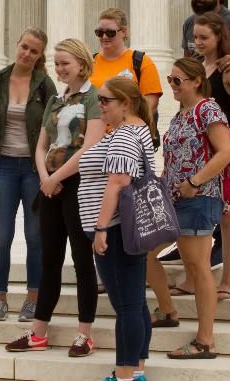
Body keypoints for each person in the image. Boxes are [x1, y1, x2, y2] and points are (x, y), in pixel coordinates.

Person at [6, 38, 103, 358]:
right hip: (49, 186)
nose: (60, 69)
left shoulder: (93, 97)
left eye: (65, 63)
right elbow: (41, 144)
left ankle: (85, 333)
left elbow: (90, 146)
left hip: (78, 186)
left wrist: (56, 178)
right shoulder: (56, 100)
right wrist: (45, 179)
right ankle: (38, 331)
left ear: (81, 63)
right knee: (50, 261)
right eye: (57, 63)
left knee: (82, 261)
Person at [146, 58, 230, 358]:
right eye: (170, 80)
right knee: (146, 253)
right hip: (175, 199)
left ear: (196, 81)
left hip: (199, 198)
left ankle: (205, 340)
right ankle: (168, 311)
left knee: (198, 267)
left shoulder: (207, 109)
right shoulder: (180, 115)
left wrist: (195, 182)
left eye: (177, 80)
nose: (171, 85)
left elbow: (226, 152)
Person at [79, 75, 155, 381]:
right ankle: (136, 369)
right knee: (134, 302)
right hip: (120, 228)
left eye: (105, 100)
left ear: (126, 103)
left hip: (114, 228)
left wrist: (100, 228)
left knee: (126, 305)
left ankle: (124, 374)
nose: (100, 106)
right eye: (98, 99)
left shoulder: (125, 135)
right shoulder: (135, 130)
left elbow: (118, 182)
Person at [170, 13, 230, 299]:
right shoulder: (197, 68)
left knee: (227, 214)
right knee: (195, 217)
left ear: (219, 37)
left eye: (205, 37)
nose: (199, 42)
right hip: (194, 156)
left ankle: (228, 281)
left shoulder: (227, 70)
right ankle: (195, 277)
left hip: (221, 153)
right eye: (196, 37)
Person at [0, 28, 56, 323]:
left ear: (39, 56)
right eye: (24, 47)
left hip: (34, 168)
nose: (26, 54)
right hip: (4, 168)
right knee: (1, 236)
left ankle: (32, 298)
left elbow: (54, 125)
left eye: (33, 51)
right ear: (17, 45)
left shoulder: (44, 84)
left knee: (35, 236)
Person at [91, 8, 163, 141]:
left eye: (110, 32)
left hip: (127, 139)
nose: (104, 37)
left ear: (124, 32)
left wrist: (119, 131)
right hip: (93, 138)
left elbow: (150, 105)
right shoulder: (90, 62)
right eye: (100, 32)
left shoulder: (142, 62)